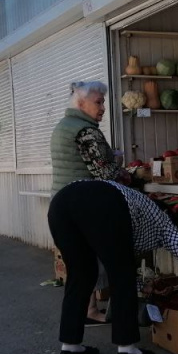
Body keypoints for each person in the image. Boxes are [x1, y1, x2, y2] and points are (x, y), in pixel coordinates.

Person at [48, 179, 178, 354]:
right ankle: (127, 350)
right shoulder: (163, 221)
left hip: (60, 203)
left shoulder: (139, 208)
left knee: (80, 275)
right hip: (102, 202)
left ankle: (70, 348)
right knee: (122, 276)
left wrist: (140, 285)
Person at [50, 81, 132, 323]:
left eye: (103, 102)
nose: (103, 107)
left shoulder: (64, 126)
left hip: (61, 202)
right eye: (98, 102)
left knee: (79, 261)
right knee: (97, 260)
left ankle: (87, 311)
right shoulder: (85, 131)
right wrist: (123, 170)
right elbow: (104, 173)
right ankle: (104, 317)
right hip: (83, 204)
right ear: (81, 103)